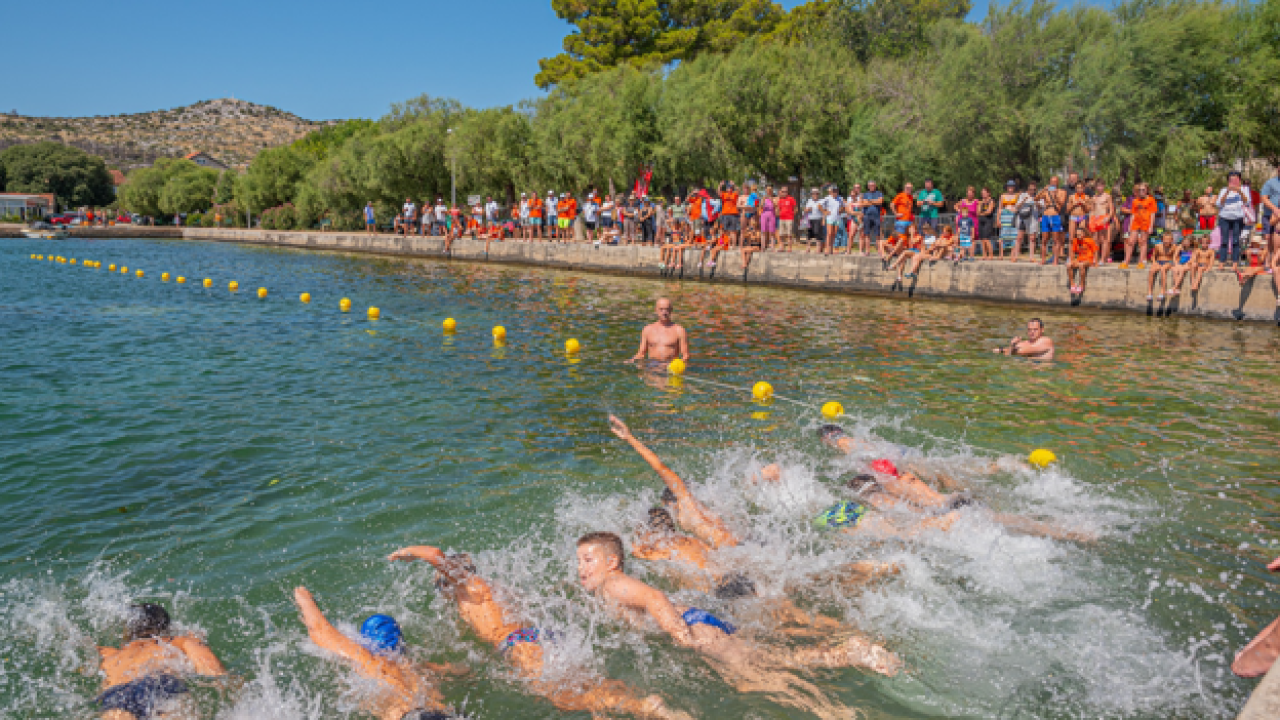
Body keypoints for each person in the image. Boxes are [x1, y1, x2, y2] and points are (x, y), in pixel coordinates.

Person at [387, 546, 690, 720]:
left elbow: (436, 554)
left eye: (440, 583)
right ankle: (622, 706)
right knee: (582, 685)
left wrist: (411, 551)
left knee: (561, 696)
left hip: (521, 645)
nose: (440, 591)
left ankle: (647, 706)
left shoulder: (470, 586)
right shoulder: (486, 591)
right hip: (538, 637)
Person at [292, 587, 458, 720]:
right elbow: (460, 670)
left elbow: (321, 632)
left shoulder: (371, 661)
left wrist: (305, 600)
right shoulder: (420, 667)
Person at [95, 602, 227, 720]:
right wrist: (200, 642)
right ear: (166, 629)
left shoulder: (108, 654)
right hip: (160, 684)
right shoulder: (179, 642)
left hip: (118, 695)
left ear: (128, 632)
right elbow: (215, 672)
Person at [631, 298, 689, 364]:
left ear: (671, 310)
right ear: (656, 310)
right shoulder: (647, 329)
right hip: (652, 366)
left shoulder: (679, 330)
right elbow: (641, 353)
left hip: (670, 366)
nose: (664, 312)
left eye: (667, 309)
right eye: (661, 309)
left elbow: (685, 355)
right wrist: (632, 360)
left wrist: (678, 365)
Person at [1216, 171, 1253, 269]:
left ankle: (1235, 262)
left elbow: (1247, 202)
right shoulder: (1223, 190)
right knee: (1224, 240)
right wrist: (1228, 191)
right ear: (1228, 180)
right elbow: (1219, 204)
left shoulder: (1244, 189)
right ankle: (1222, 262)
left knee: (1236, 240)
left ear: (1239, 180)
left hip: (1238, 218)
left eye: (1235, 179)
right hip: (1224, 217)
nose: (1233, 181)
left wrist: (1239, 191)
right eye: (1231, 179)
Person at [1126, 184, 1158, 267]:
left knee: (1143, 242)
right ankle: (1126, 261)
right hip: (1136, 223)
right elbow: (1133, 213)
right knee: (1131, 241)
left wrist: (1151, 226)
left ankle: (1141, 262)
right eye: (1140, 190)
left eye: (1143, 190)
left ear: (1147, 190)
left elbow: (1153, 214)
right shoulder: (1135, 201)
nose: (1141, 191)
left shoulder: (1151, 200)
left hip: (1145, 223)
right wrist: (1130, 225)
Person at [1039, 176, 1068, 264]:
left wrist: (1055, 195)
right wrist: (1043, 190)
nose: (1053, 183)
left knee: (1056, 240)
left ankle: (1055, 260)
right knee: (1044, 239)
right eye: (1052, 182)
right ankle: (1043, 260)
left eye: (1055, 182)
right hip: (1046, 215)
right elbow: (1036, 198)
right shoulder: (1046, 192)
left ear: (1058, 183)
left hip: (1055, 215)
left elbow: (1062, 203)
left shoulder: (1062, 192)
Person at [1147, 229, 1178, 301]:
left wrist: (1174, 263)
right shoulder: (1158, 246)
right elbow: (1153, 256)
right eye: (1165, 239)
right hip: (1159, 261)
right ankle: (1149, 292)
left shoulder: (1174, 246)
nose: (1166, 241)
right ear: (1162, 239)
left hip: (1168, 261)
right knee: (1151, 271)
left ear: (1172, 240)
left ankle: (1162, 291)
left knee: (1163, 269)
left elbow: (1176, 257)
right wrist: (1154, 262)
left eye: (1168, 239)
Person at [1088, 184, 1116, 264]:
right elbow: (1092, 209)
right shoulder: (1094, 197)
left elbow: (1111, 209)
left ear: (1104, 186)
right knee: (1095, 239)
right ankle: (1095, 257)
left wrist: (1108, 218)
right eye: (1098, 186)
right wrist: (1090, 219)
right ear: (1096, 187)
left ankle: (1103, 259)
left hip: (1103, 217)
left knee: (1103, 240)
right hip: (1095, 218)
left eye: (1101, 186)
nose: (1099, 187)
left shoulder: (1107, 196)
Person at [1067, 226, 1096, 296]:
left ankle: (1082, 285)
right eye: (1077, 235)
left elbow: (1095, 251)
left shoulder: (1090, 240)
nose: (1078, 236)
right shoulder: (1075, 241)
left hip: (1089, 259)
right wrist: (1072, 260)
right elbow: (1073, 252)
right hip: (1080, 259)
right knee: (1068, 265)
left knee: (1081, 265)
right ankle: (1072, 285)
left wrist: (1096, 262)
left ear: (1084, 234)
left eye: (1079, 235)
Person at [998, 181, 1020, 260]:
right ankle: (1001, 254)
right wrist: (998, 219)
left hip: (1013, 217)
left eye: (1012, 186)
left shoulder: (1017, 196)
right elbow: (1000, 208)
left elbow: (1019, 207)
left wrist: (1015, 210)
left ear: (1014, 187)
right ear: (1006, 187)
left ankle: (1012, 255)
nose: (1010, 188)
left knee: (1013, 236)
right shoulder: (1002, 196)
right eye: (1009, 186)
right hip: (1004, 216)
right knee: (1002, 235)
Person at [802, 188, 824, 253]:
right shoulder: (809, 201)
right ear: (811, 194)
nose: (815, 195)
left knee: (817, 233)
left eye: (816, 193)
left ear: (818, 194)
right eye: (813, 193)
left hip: (818, 218)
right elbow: (805, 210)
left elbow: (824, 211)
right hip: (810, 218)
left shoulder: (821, 201)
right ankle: (808, 247)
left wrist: (823, 219)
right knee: (809, 233)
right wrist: (807, 210)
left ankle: (818, 248)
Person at [776, 186, 797, 253]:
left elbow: (795, 208)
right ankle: (782, 247)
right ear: (781, 192)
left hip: (789, 219)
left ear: (787, 192)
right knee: (781, 234)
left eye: (785, 191)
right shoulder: (780, 200)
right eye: (782, 191)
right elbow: (778, 209)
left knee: (789, 234)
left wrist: (793, 215)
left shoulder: (791, 199)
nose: (784, 193)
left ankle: (789, 248)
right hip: (781, 218)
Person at [978, 187, 997, 260]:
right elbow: (978, 212)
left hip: (988, 221)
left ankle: (991, 255)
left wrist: (982, 213)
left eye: (984, 192)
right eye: (982, 193)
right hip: (981, 221)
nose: (983, 194)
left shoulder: (991, 201)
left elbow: (989, 211)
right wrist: (982, 213)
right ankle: (984, 255)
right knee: (982, 239)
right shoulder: (981, 202)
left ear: (988, 193)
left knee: (987, 239)